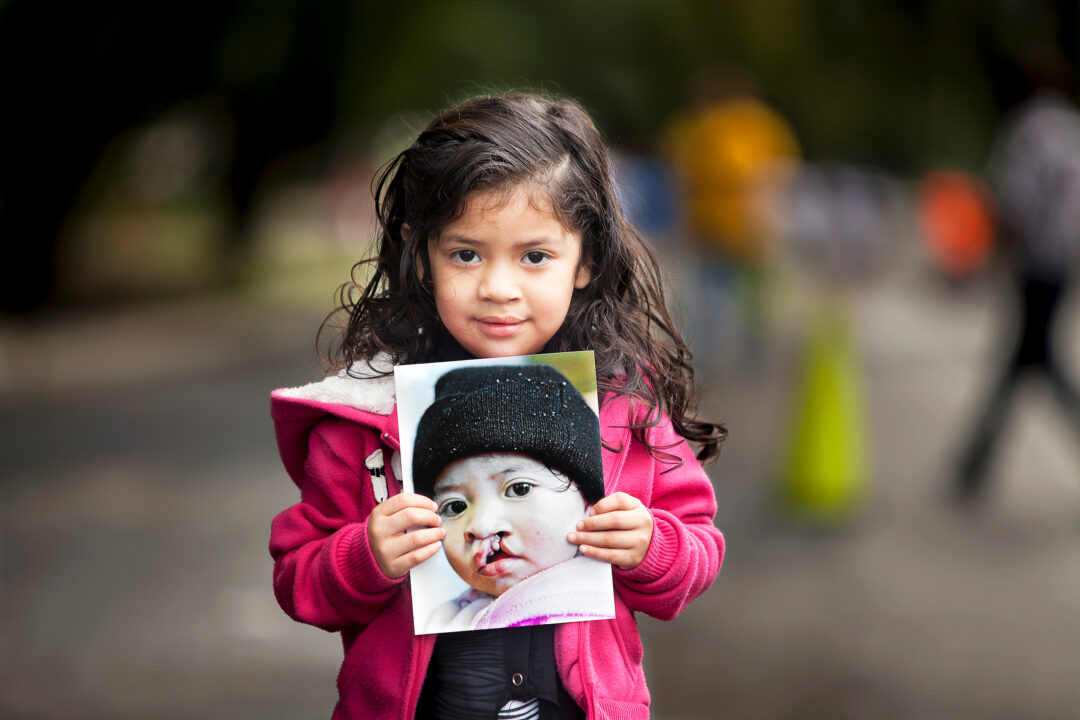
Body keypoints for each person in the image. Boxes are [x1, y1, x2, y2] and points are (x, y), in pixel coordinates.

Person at [268, 92, 726, 720]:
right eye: (465, 254)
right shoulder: (365, 420)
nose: (498, 289)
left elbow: (697, 551)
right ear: (420, 252)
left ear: (586, 258)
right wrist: (364, 556)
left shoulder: (624, 407)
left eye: (535, 256)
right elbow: (299, 581)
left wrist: (652, 546)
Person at [411, 364, 615, 633]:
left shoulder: (609, 577)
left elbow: (676, 585)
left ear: (588, 501)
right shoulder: (445, 620)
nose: (481, 526)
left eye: (519, 489)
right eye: (456, 506)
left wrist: (649, 553)